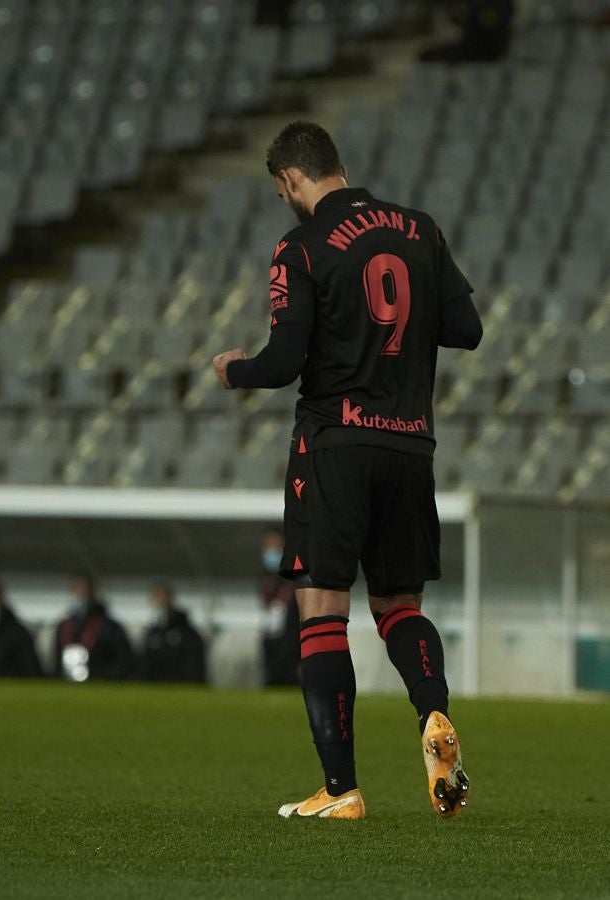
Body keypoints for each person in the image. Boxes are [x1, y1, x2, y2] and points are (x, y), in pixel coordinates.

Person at [212, 121, 482, 820]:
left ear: (292, 181)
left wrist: (230, 370)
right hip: (408, 445)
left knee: (320, 608)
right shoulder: (418, 230)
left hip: (334, 444)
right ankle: (431, 715)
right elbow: (467, 329)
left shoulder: (299, 247)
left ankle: (341, 791)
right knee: (398, 607)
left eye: (281, 191)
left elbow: (282, 363)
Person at [52, 575, 137, 682]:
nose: (80, 593)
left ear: (93, 591)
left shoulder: (110, 627)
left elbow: (124, 660)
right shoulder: (64, 627)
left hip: (101, 681)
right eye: (77, 588)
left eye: (84, 588)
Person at [141, 583, 208, 684]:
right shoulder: (152, 632)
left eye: (160, 596)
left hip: (181, 686)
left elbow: (194, 664)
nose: (158, 602)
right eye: (154, 597)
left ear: (170, 599)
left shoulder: (187, 632)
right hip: (154, 687)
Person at [259, 529, 301, 687]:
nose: (270, 553)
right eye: (267, 548)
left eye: (275, 547)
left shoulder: (295, 578)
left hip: (291, 645)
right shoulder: (265, 580)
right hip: (271, 641)